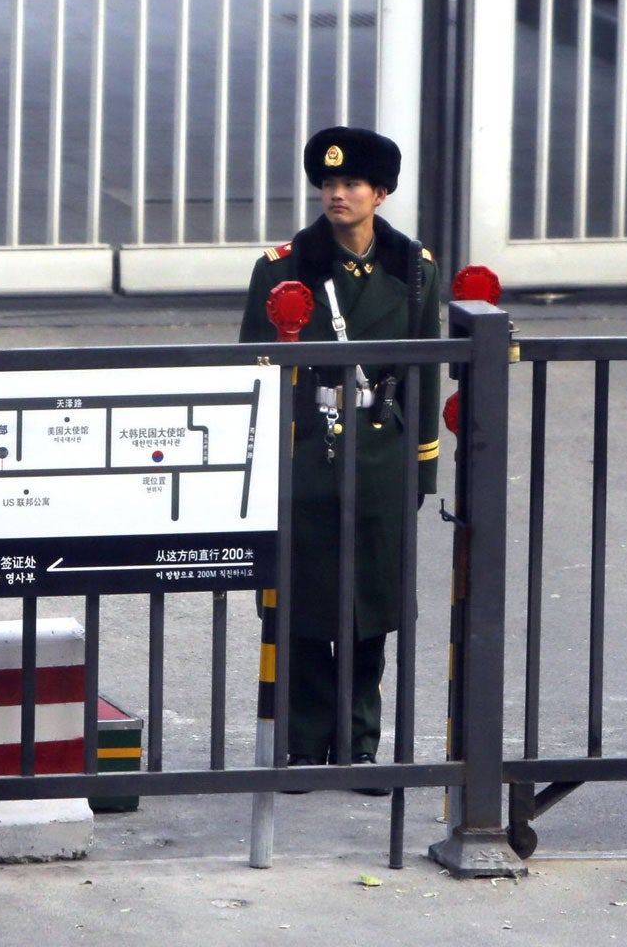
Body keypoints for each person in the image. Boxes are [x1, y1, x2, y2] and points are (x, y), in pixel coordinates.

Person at [238, 125, 440, 781]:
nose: (337, 194)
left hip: (379, 459)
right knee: (298, 605)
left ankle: (358, 746)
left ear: (380, 193)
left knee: (366, 611)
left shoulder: (413, 269)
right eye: (328, 184)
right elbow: (255, 371)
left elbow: (426, 374)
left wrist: (422, 466)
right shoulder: (282, 268)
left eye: (351, 184)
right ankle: (302, 745)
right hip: (302, 455)